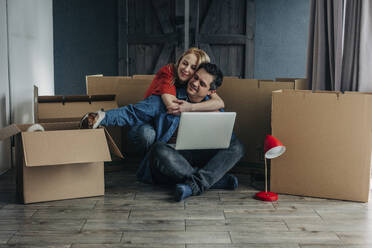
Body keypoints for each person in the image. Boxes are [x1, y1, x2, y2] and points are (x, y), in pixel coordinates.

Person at [80, 63, 244, 201]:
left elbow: (225, 139)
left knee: (237, 146)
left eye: (202, 84)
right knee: (158, 149)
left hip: (198, 157)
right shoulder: (168, 99)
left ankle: (195, 184)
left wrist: (194, 109)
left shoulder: (213, 106)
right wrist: (100, 117)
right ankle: (211, 181)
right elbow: (132, 112)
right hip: (171, 158)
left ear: (211, 92)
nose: (195, 83)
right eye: (195, 78)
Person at [128, 48, 224, 154]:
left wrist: (192, 107)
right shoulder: (169, 74)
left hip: (163, 125)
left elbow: (219, 102)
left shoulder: (199, 83)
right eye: (185, 63)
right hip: (147, 120)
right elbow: (173, 108)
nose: (186, 70)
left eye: (193, 67)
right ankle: (150, 158)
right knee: (147, 135)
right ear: (180, 61)